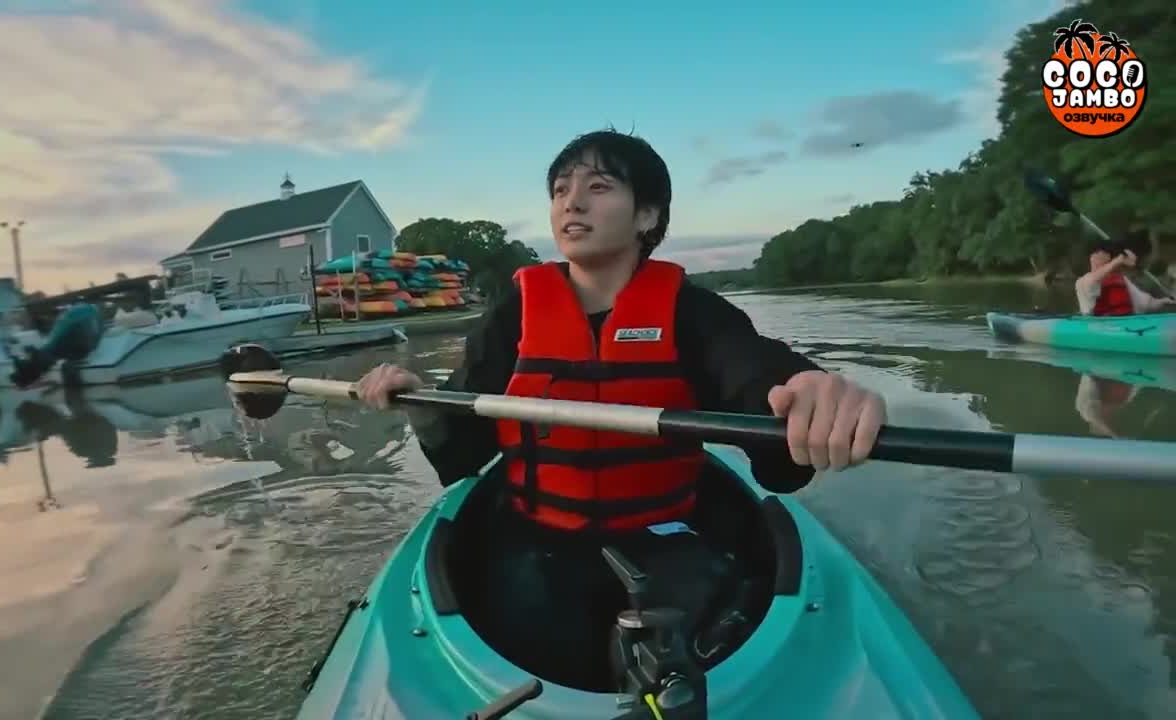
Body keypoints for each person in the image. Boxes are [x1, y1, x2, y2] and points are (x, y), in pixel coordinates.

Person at [352, 128, 889, 691]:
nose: (572, 203)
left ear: (646, 216)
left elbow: (762, 383)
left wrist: (811, 391)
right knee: (537, 636)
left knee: (700, 631)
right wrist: (421, 406)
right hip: (534, 538)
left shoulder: (694, 313)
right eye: (561, 190)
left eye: (598, 186)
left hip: (664, 532)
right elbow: (464, 455)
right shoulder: (512, 316)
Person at [1075, 242, 1176, 316]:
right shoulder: (1082, 282)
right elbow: (1093, 280)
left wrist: (1163, 301)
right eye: (1097, 255)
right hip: (1099, 325)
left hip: (1126, 322)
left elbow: (1145, 303)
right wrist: (1119, 260)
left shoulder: (1121, 279)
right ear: (1091, 258)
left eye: (1105, 255)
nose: (1099, 258)